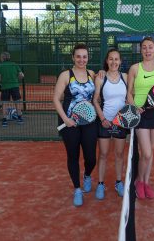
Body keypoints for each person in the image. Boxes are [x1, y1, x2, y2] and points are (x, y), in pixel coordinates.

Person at [53, 43, 98, 207]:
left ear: (88, 58)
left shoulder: (92, 74)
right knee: (73, 156)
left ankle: (87, 175)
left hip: (89, 122)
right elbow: (56, 99)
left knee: (91, 157)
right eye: (78, 56)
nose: (81, 59)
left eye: (84, 56)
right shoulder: (66, 75)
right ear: (73, 57)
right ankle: (77, 189)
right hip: (70, 123)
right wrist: (65, 119)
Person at [127, 36, 154, 199]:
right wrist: (135, 107)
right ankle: (138, 182)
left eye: (150, 47)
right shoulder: (135, 68)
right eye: (144, 47)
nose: (147, 50)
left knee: (150, 152)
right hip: (140, 114)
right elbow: (128, 93)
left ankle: (146, 182)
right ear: (140, 50)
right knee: (147, 153)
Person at [93, 48, 128, 200]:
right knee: (103, 154)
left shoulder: (126, 77)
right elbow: (95, 100)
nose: (114, 62)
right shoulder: (100, 77)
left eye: (116, 59)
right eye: (111, 59)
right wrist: (103, 119)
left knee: (119, 154)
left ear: (120, 62)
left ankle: (118, 182)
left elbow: (129, 98)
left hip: (120, 123)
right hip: (105, 122)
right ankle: (101, 184)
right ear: (107, 61)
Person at [0, 51, 24, 127]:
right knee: (17, 102)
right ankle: (20, 118)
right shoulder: (14, 64)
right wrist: (16, 79)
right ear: (9, 57)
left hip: (5, 87)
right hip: (15, 86)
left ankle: (4, 120)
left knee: (4, 103)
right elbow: (22, 75)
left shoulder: (0, 66)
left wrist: (4, 80)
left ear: (2, 57)